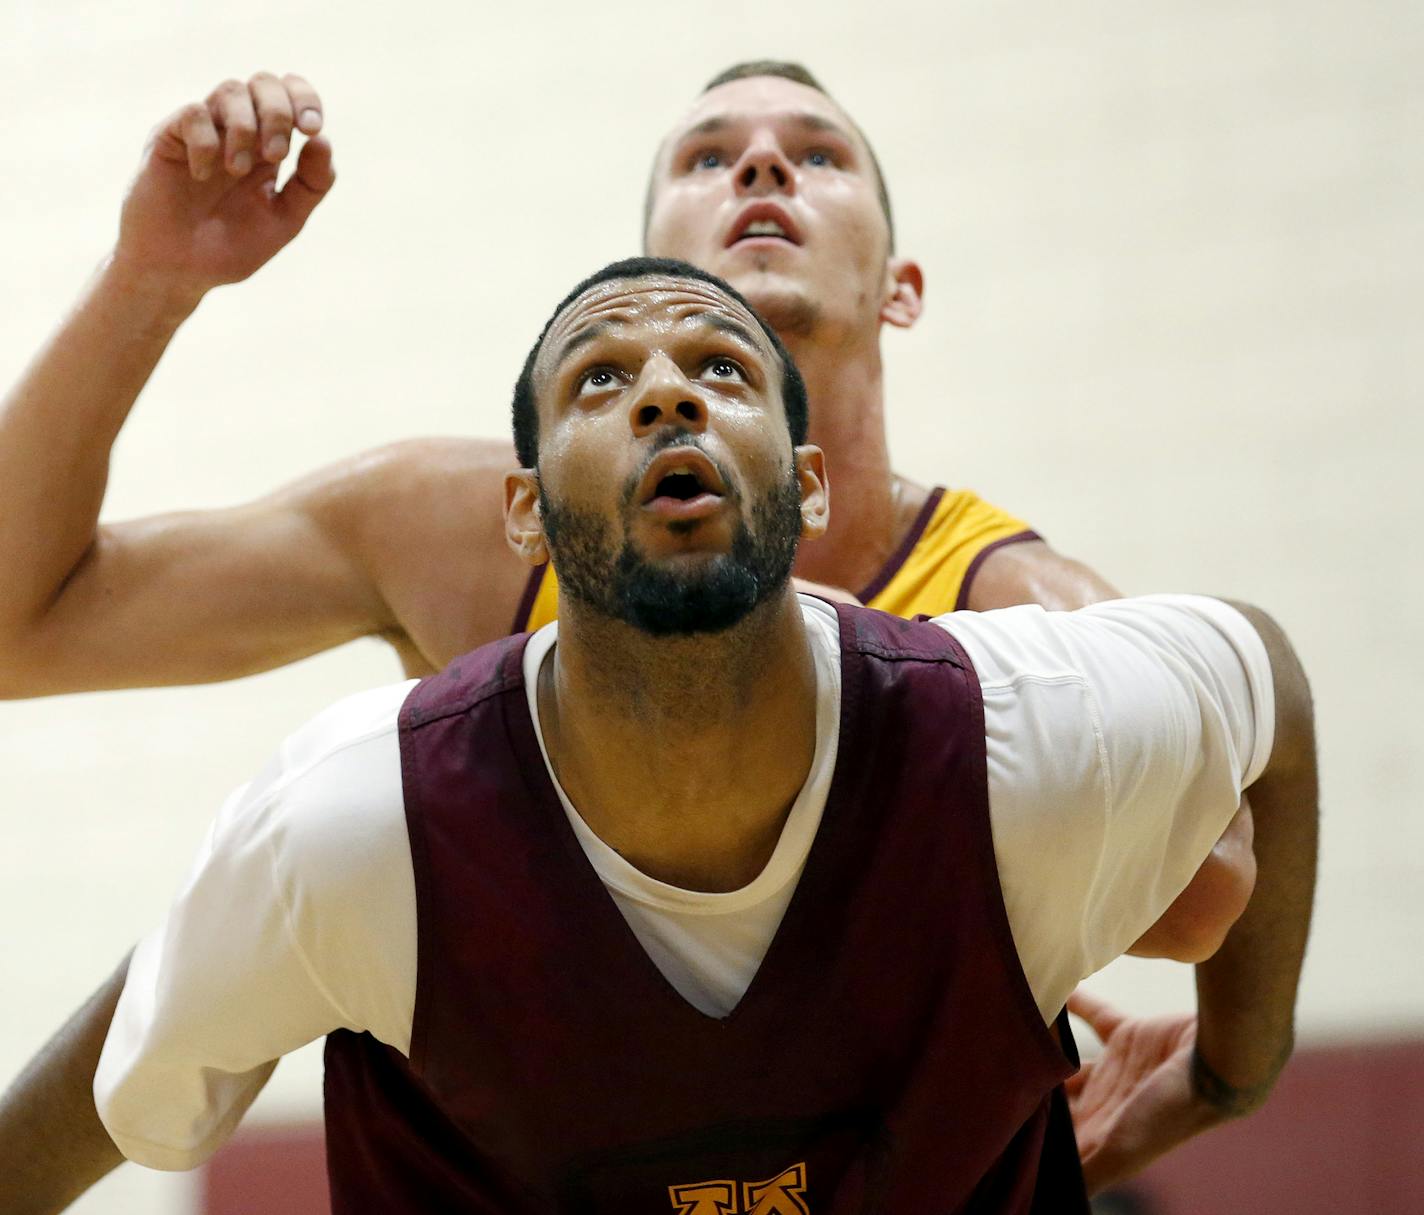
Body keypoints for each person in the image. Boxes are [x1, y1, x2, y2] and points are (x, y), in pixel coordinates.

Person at [0, 261, 1317, 1213]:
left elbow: (1270, 694)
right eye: (605, 375)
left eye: (722, 366)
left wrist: (1229, 1074)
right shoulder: (359, 817)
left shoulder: (1018, 720)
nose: (667, 396)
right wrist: (155, 272)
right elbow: (125, 1067)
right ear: (520, 508)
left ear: (808, 482)